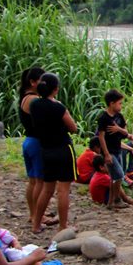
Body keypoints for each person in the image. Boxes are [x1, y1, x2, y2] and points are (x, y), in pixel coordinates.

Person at [30, 73, 78, 234]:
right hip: (63, 149)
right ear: (55, 90)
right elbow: (73, 128)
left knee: (47, 188)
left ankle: (36, 224)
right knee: (63, 189)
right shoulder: (58, 107)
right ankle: (63, 226)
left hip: (46, 149)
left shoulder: (35, 105)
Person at [96, 89, 133, 208]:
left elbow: (125, 132)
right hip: (109, 151)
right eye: (119, 103)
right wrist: (106, 154)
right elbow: (101, 136)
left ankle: (111, 202)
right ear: (111, 103)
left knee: (114, 176)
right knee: (119, 175)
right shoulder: (103, 118)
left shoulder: (119, 117)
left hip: (118, 149)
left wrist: (118, 129)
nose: (121, 106)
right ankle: (117, 199)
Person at [18, 66, 47, 224]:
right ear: (33, 82)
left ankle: (33, 213)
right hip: (37, 143)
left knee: (33, 181)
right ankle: (38, 216)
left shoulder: (25, 97)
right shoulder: (34, 100)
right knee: (39, 182)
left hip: (29, 141)